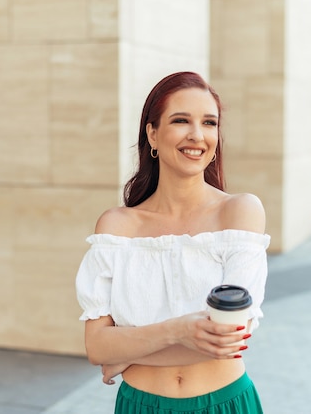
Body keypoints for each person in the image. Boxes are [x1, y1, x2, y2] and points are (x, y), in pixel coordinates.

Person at [75, 71, 270, 413]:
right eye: (181, 120)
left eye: (210, 123)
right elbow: (97, 347)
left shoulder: (239, 212)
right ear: (152, 133)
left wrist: (128, 350)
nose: (198, 135)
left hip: (224, 403)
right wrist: (179, 330)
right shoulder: (117, 227)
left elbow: (229, 338)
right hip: (141, 405)